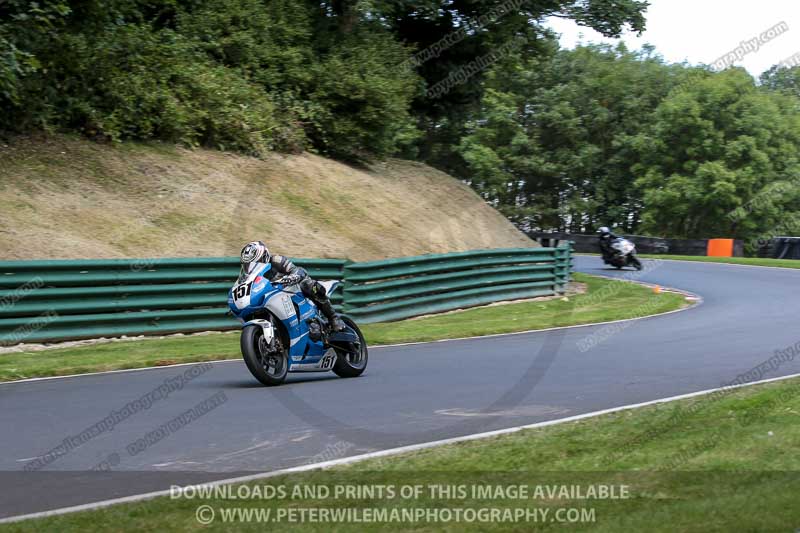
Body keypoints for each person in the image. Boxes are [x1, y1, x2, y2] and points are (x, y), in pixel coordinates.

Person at [239, 241, 345, 331]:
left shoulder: (277, 260)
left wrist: (292, 277)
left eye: (253, 263)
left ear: (264, 257)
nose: (250, 267)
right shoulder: (249, 276)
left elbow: (297, 270)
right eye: (247, 265)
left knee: (308, 284)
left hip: (292, 290)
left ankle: (333, 317)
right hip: (273, 299)